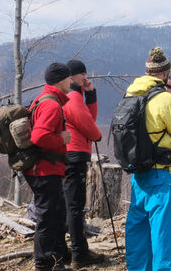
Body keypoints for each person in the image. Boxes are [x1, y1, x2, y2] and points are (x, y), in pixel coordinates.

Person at [124, 47, 171, 271]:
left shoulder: (130, 95)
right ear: (165, 73)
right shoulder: (165, 100)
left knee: (139, 228)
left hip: (138, 173)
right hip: (162, 173)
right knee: (164, 231)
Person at [25, 62, 72, 271]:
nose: (70, 81)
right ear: (61, 80)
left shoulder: (42, 99)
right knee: (47, 217)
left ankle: (58, 258)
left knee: (56, 213)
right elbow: (39, 137)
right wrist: (62, 139)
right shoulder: (52, 105)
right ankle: (44, 264)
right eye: (68, 78)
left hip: (42, 168)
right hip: (44, 170)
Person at [62, 59, 106, 269]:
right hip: (75, 154)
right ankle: (79, 253)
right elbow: (89, 125)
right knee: (75, 206)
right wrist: (97, 136)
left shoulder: (74, 96)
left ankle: (67, 250)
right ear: (71, 77)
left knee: (71, 204)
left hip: (69, 153)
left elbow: (89, 117)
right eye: (82, 74)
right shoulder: (73, 97)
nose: (85, 77)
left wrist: (91, 94)